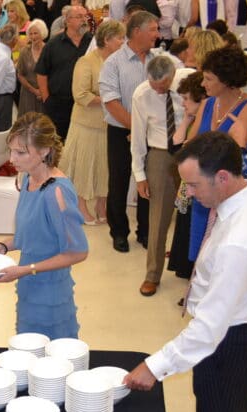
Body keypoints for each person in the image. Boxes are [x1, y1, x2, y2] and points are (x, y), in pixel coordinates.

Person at [124, 132, 247, 412]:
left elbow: (209, 330)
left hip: (232, 337)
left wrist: (155, 366)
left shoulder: (237, 239)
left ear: (222, 177)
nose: (189, 193)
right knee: (240, 411)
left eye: (194, 184)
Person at [0, 113, 89, 338]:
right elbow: (31, 234)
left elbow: (78, 252)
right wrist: (3, 245)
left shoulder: (56, 192)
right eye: (11, 150)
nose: (12, 159)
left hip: (49, 292)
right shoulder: (28, 179)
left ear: (44, 151)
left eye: (21, 152)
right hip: (28, 287)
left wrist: (25, 270)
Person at [185, 47, 247, 263]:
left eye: (208, 78)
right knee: (202, 249)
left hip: (229, 193)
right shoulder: (208, 104)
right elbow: (191, 143)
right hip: (204, 190)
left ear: (227, 80)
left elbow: (241, 157)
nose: (202, 84)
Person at [100, 10, 160, 252]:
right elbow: (111, 102)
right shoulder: (113, 63)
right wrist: (136, 130)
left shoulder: (158, 61)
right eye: (153, 29)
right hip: (120, 132)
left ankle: (145, 231)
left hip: (153, 134)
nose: (157, 34)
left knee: (149, 183)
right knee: (119, 182)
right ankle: (119, 232)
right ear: (137, 32)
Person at [131, 55, 188, 297]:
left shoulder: (190, 80)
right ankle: (152, 275)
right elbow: (137, 139)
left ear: (173, 75)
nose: (158, 90)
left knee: (194, 215)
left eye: (162, 86)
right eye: (154, 86)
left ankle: (191, 269)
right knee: (158, 219)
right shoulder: (142, 95)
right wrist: (140, 175)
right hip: (160, 156)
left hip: (191, 151)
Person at [60, 19, 126, 226]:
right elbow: (80, 94)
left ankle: (101, 204)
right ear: (107, 40)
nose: (123, 42)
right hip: (86, 124)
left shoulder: (119, 61)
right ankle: (80, 206)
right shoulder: (86, 61)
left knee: (105, 167)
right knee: (83, 166)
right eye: (120, 38)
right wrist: (109, 99)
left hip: (111, 124)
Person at [167, 71, 208, 281]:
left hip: (200, 192)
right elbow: (174, 148)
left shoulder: (208, 124)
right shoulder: (193, 122)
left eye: (186, 99)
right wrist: (186, 120)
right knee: (185, 229)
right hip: (187, 190)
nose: (183, 104)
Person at [35, 4, 91, 140]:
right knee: (59, 143)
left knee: (82, 141)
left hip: (86, 104)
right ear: (68, 20)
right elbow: (41, 72)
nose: (84, 20)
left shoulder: (92, 42)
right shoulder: (53, 44)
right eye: (79, 17)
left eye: (86, 16)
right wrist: (46, 99)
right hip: (58, 104)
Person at [15, 18, 48, 117]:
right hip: (28, 95)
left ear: (42, 33)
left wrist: (42, 92)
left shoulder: (49, 50)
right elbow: (20, 75)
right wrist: (34, 90)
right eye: (31, 34)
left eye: (36, 33)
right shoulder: (25, 51)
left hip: (45, 94)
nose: (33, 37)